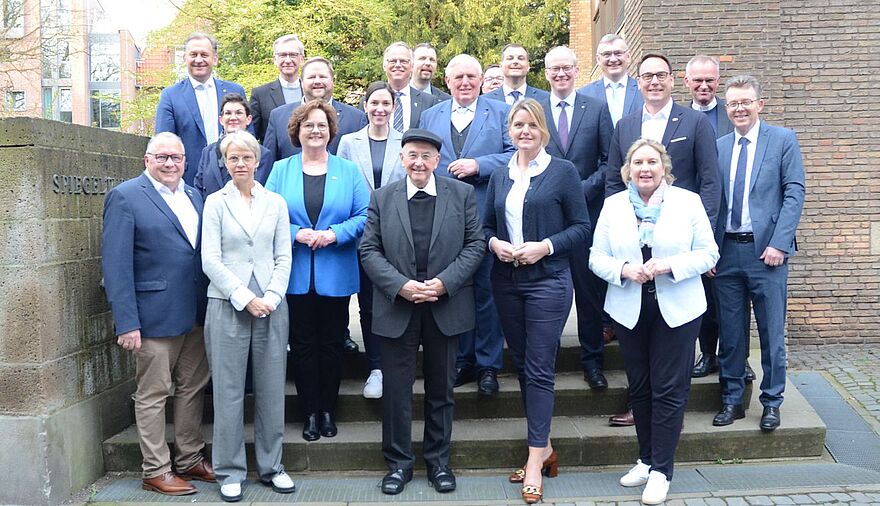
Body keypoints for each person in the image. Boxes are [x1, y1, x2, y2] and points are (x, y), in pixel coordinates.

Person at [590, 138, 719, 505]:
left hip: (677, 310)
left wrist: (669, 265)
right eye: (637, 163)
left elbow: (709, 252)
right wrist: (623, 269)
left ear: (664, 167)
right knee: (641, 389)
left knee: (668, 390)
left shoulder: (687, 202)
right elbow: (595, 256)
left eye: (652, 162)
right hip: (630, 308)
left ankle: (662, 470)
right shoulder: (614, 206)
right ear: (627, 169)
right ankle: (646, 460)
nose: (644, 169)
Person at [359, 128, 485, 496]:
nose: (418, 162)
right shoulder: (383, 198)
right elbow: (369, 251)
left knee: (441, 390)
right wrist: (401, 285)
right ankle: (398, 465)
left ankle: (438, 462)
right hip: (398, 306)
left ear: (437, 161)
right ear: (402, 159)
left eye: (426, 156)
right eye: (412, 155)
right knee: (396, 392)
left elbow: (476, 244)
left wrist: (445, 282)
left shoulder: (460, 195)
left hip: (445, 305)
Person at [604, 52, 721, 427]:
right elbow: (611, 180)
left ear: (673, 81)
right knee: (638, 333)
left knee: (675, 330)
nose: (654, 81)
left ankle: (669, 411)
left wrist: (706, 246)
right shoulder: (625, 125)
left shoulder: (695, 121)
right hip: (632, 249)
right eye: (647, 76)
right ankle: (643, 406)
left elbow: (710, 182)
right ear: (637, 82)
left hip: (677, 245)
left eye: (661, 76)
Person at [484, 99, 590, 504]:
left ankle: (533, 461)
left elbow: (582, 227)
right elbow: (488, 226)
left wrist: (544, 246)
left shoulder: (562, 172)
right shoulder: (499, 174)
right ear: (509, 130)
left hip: (548, 281)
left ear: (543, 130)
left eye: (531, 124)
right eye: (517, 125)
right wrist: (495, 244)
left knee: (541, 367)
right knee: (525, 367)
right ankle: (543, 447)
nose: (524, 131)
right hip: (506, 282)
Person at [102, 132, 214, 496]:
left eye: (176, 157)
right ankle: (156, 469)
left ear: (185, 161)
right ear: (147, 159)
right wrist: (127, 322)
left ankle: (189, 458)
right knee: (152, 393)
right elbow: (116, 266)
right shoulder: (126, 196)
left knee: (192, 388)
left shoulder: (194, 195)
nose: (170, 164)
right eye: (162, 157)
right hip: (153, 317)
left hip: (195, 312)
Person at [265, 99, 370, 442]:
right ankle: (309, 411)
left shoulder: (348, 170)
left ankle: (328, 410)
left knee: (332, 344)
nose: (315, 130)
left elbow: (364, 215)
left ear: (330, 131)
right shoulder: (281, 170)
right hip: (293, 272)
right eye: (308, 125)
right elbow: (268, 214)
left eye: (321, 125)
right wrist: (297, 233)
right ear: (297, 130)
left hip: (335, 270)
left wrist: (333, 234)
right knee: (302, 344)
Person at [200, 130, 294, 502]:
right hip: (227, 304)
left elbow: (284, 255)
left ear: (258, 161)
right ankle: (230, 470)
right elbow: (210, 258)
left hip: (272, 304)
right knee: (228, 390)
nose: (240, 164)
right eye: (233, 158)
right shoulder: (214, 203)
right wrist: (243, 296)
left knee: (272, 390)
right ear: (224, 163)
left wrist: (270, 296)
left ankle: (272, 467)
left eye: (247, 157)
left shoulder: (275, 202)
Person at [711, 75, 806, 432]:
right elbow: (711, 201)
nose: (739, 108)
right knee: (731, 335)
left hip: (768, 254)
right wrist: (709, 253)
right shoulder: (718, 146)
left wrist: (780, 243)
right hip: (727, 254)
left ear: (759, 104)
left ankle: (771, 402)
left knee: (771, 334)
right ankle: (733, 400)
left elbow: (794, 193)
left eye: (745, 102)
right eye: (733, 103)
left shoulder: (782, 140)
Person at [419, 53, 515, 396]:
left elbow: (515, 154)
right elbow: (421, 158)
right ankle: (461, 360)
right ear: (447, 82)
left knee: (488, 290)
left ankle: (488, 364)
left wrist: (479, 164)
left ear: (480, 81)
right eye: (458, 77)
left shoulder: (501, 112)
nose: (464, 83)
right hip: (443, 217)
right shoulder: (431, 115)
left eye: (471, 77)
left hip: (486, 216)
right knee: (454, 290)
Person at [538, 45, 614, 392]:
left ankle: (592, 361)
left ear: (577, 70)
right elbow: (526, 157)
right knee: (546, 293)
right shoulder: (536, 110)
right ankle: (543, 363)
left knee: (588, 292)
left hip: (587, 215)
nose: (561, 74)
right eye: (554, 69)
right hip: (547, 217)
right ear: (546, 72)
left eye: (567, 68)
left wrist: (581, 190)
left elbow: (608, 160)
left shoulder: (596, 109)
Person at [337, 81, 407, 399]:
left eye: (386, 103)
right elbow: (342, 189)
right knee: (367, 302)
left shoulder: (405, 141)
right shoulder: (349, 143)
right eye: (374, 103)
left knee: (394, 299)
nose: (380, 109)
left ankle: (396, 365)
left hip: (397, 233)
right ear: (365, 106)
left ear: (394, 107)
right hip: (362, 235)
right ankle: (375, 367)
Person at [683, 54, 746, 380]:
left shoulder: (732, 114)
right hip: (693, 220)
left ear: (718, 81)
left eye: (710, 80)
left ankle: (737, 359)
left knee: (733, 298)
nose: (704, 86)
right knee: (704, 295)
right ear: (687, 82)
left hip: (731, 221)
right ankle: (707, 354)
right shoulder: (678, 119)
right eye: (698, 80)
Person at [155, 32, 247, 185]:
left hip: (234, 178)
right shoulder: (170, 96)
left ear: (215, 59)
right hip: (189, 181)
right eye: (193, 54)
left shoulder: (235, 91)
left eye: (204, 54)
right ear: (185, 58)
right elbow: (164, 142)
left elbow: (248, 134)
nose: (199, 60)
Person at [263, 56, 367, 161]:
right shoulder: (278, 117)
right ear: (302, 82)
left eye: (322, 77)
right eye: (311, 77)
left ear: (332, 81)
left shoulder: (356, 119)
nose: (317, 81)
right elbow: (268, 164)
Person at [193, 93, 274, 198]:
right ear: (221, 120)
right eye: (228, 113)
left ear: (248, 119)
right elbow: (199, 188)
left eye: (239, 113)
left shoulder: (263, 154)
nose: (233, 117)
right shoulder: (207, 152)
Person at [577, 34, 643, 126]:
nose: (613, 59)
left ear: (628, 57)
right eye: (607, 54)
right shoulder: (583, 95)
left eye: (618, 53)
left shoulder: (643, 90)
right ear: (598, 59)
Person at [250, 34, 305, 142]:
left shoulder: (313, 91)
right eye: (283, 55)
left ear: (301, 59)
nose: (288, 60)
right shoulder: (260, 95)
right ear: (275, 59)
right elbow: (251, 136)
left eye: (293, 55)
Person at [381, 42, 441, 132]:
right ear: (384, 66)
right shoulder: (370, 101)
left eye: (403, 61)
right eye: (392, 61)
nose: (398, 65)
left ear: (412, 66)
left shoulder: (429, 102)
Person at [483, 44, 549, 104]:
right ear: (501, 66)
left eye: (521, 58)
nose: (515, 62)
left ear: (528, 66)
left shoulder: (546, 99)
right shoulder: (484, 100)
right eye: (510, 58)